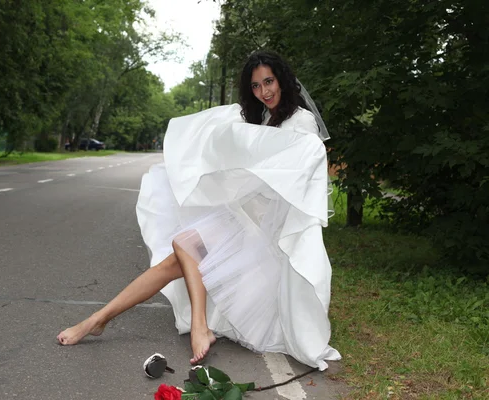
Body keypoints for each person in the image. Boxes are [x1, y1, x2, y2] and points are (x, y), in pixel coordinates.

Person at [57, 50, 340, 370]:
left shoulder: (301, 122)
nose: (264, 92)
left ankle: (193, 325)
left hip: (267, 230)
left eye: (269, 82)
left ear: (283, 79)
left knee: (182, 246)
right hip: (245, 217)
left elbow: (298, 178)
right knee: (174, 259)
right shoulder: (264, 117)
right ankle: (99, 319)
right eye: (257, 86)